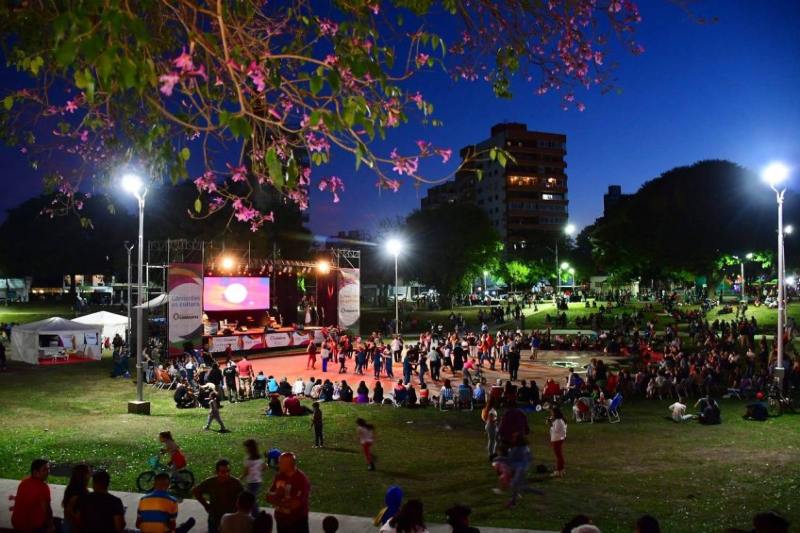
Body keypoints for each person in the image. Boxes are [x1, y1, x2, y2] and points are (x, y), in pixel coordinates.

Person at [193, 459, 244, 533]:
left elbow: (243, 499)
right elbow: (195, 491)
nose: (226, 474)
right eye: (223, 472)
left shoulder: (236, 483)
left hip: (230, 519)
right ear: (217, 472)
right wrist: (206, 505)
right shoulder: (211, 482)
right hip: (214, 518)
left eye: (228, 471)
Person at [266, 452, 311, 533]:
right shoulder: (279, 476)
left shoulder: (301, 480)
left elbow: (295, 505)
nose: (278, 464)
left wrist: (276, 500)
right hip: (281, 522)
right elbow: (268, 496)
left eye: (280, 463)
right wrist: (276, 494)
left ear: (289, 464)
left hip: (297, 523)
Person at [11, 459, 53, 533]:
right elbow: (46, 510)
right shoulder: (43, 487)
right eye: (44, 470)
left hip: (16, 522)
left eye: (48, 469)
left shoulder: (24, 482)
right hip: (31, 526)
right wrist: (51, 526)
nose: (48, 472)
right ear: (35, 472)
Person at [61, 464, 90, 533]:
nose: (90, 476)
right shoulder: (81, 492)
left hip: (67, 525)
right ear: (83, 476)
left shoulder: (70, 488)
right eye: (88, 473)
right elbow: (69, 511)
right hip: (73, 527)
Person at [241, 440, 266, 505]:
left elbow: (246, 472)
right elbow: (264, 467)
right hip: (258, 481)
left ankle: (255, 513)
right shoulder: (260, 457)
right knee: (252, 498)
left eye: (246, 447)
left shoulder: (247, 459)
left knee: (251, 500)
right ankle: (254, 512)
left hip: (251, 482)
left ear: (249, 448)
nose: (245, 449)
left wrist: (240, 478)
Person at [549, 406, 567, 478]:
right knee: (559, 455)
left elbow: (556, 430)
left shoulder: (558, 421)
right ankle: (561, 469)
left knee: (558, 456)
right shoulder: (560, 420)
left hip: (557, 439)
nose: (552, 414)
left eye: (552, 413)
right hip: (559, 439)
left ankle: (559, 471)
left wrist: (550, 424)